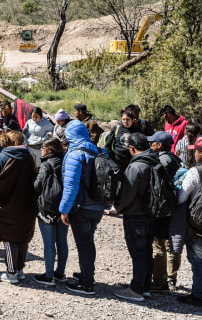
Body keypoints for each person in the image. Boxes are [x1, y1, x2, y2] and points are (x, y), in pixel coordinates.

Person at [60, 119, 106, 295]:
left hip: (82, 208)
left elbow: (71, 186)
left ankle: (87, 284)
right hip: (98, 207)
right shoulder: (98, 151)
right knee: (89, 242)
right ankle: (88, 274)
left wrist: (64, 209)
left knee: (84, 245)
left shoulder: (75, 154)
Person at [0, 130, 37, 283]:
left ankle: (11, 272)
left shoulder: (1, 157)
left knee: (9, 238)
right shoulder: (29, 157)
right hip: (26, 204)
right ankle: (20, 269)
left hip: (7, 204)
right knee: (22, 237)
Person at [114, 133, 158, 302]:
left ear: (132, 148)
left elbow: (127, 194)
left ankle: (136, 291)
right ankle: (145, 287)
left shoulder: (136, 167)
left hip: (135, 215)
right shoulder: (155, 162)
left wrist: (118, 207)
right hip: (151, 214)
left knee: (138, 254)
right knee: (147, 252)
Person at [148, 131, 183, 293]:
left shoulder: (161, 161)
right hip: (174, 207)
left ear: (159, 145)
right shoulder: (175, 158)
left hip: (162, 209)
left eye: (152, 142)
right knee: (171, 246)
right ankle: (171, 280)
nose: (150, 145)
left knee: (159, 245)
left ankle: (160, 282)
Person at [33, 137, 68, 286]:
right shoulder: (67, 161)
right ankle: (60, 273)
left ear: (50, 150)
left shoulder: (46, 164)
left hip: (47, 208)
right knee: (62, 241)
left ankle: (48, 276)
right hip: (64, 208)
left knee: (49, 243)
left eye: (43, 147)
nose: (41, 149)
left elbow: (37, 186)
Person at [176, 137, 202, 307]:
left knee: (199, 262)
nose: (194, 153)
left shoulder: (196, 172)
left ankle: (198, 295)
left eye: (196, 150)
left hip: (199, 226)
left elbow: (181, 198)